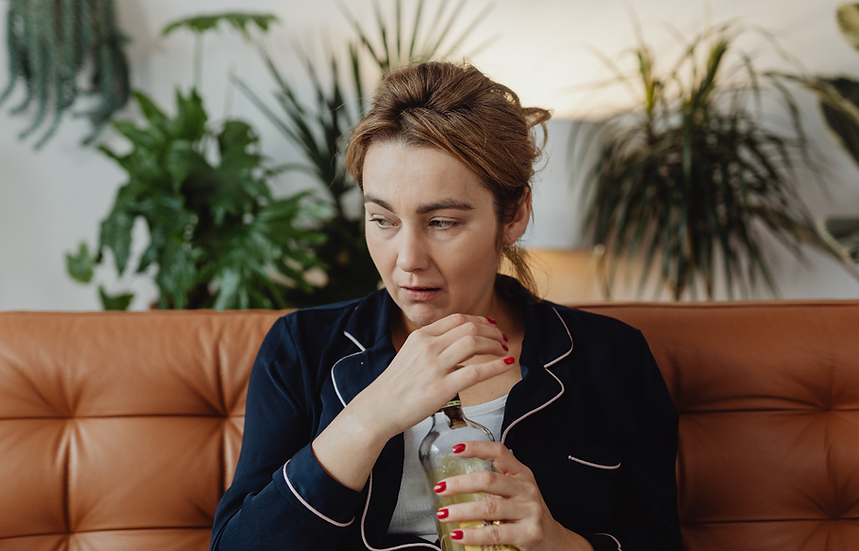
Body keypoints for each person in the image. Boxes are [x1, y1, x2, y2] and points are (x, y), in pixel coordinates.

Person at [209, 61, 682, 551]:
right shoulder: (301, 349)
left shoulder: (613, 357)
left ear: (514, 214)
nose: (407, 260)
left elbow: (658, 539)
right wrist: (371, 415)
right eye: (382, 220)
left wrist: (561, 543)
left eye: (441, 223)